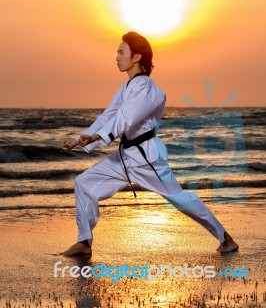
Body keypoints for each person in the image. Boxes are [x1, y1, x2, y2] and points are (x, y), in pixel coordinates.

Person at [62, 31, 239, 257]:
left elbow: (126, 118)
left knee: (180, 199)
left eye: (121, 52)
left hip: (146, 158)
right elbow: (108, 116)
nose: (116, 57)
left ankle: (225, 238)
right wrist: (81, 138)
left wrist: (97, 137)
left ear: (136, 57)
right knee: (84, 183)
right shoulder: (126, 87)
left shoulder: (146, 87)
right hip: (125, 157)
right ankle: (84, 242)